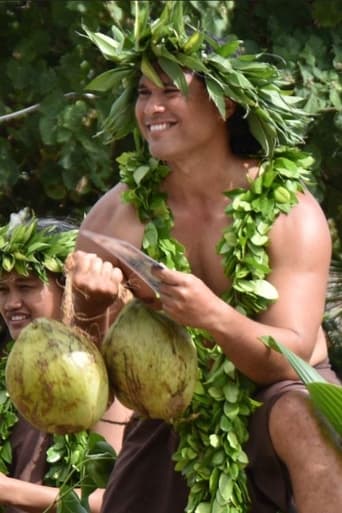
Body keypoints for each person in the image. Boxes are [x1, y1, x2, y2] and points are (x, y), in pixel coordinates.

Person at [66, 2, 342, 513]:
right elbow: (89, 391)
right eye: (144, 94)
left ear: (225, 104)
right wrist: (87, 308)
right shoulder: (114, 220)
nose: (151, 109)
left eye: (170, 91)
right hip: (174, 404)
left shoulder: (289, 212)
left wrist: (209, 314)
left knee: (308, 414)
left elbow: (291, 358)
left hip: (276, 397)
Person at [0, 210, 131, 513]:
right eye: (3, 290)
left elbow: (111, 499)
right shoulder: (10, 373)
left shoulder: (103, 374)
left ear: (68, 288)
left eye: (26, 286)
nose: (11, 303)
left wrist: (9, 491)